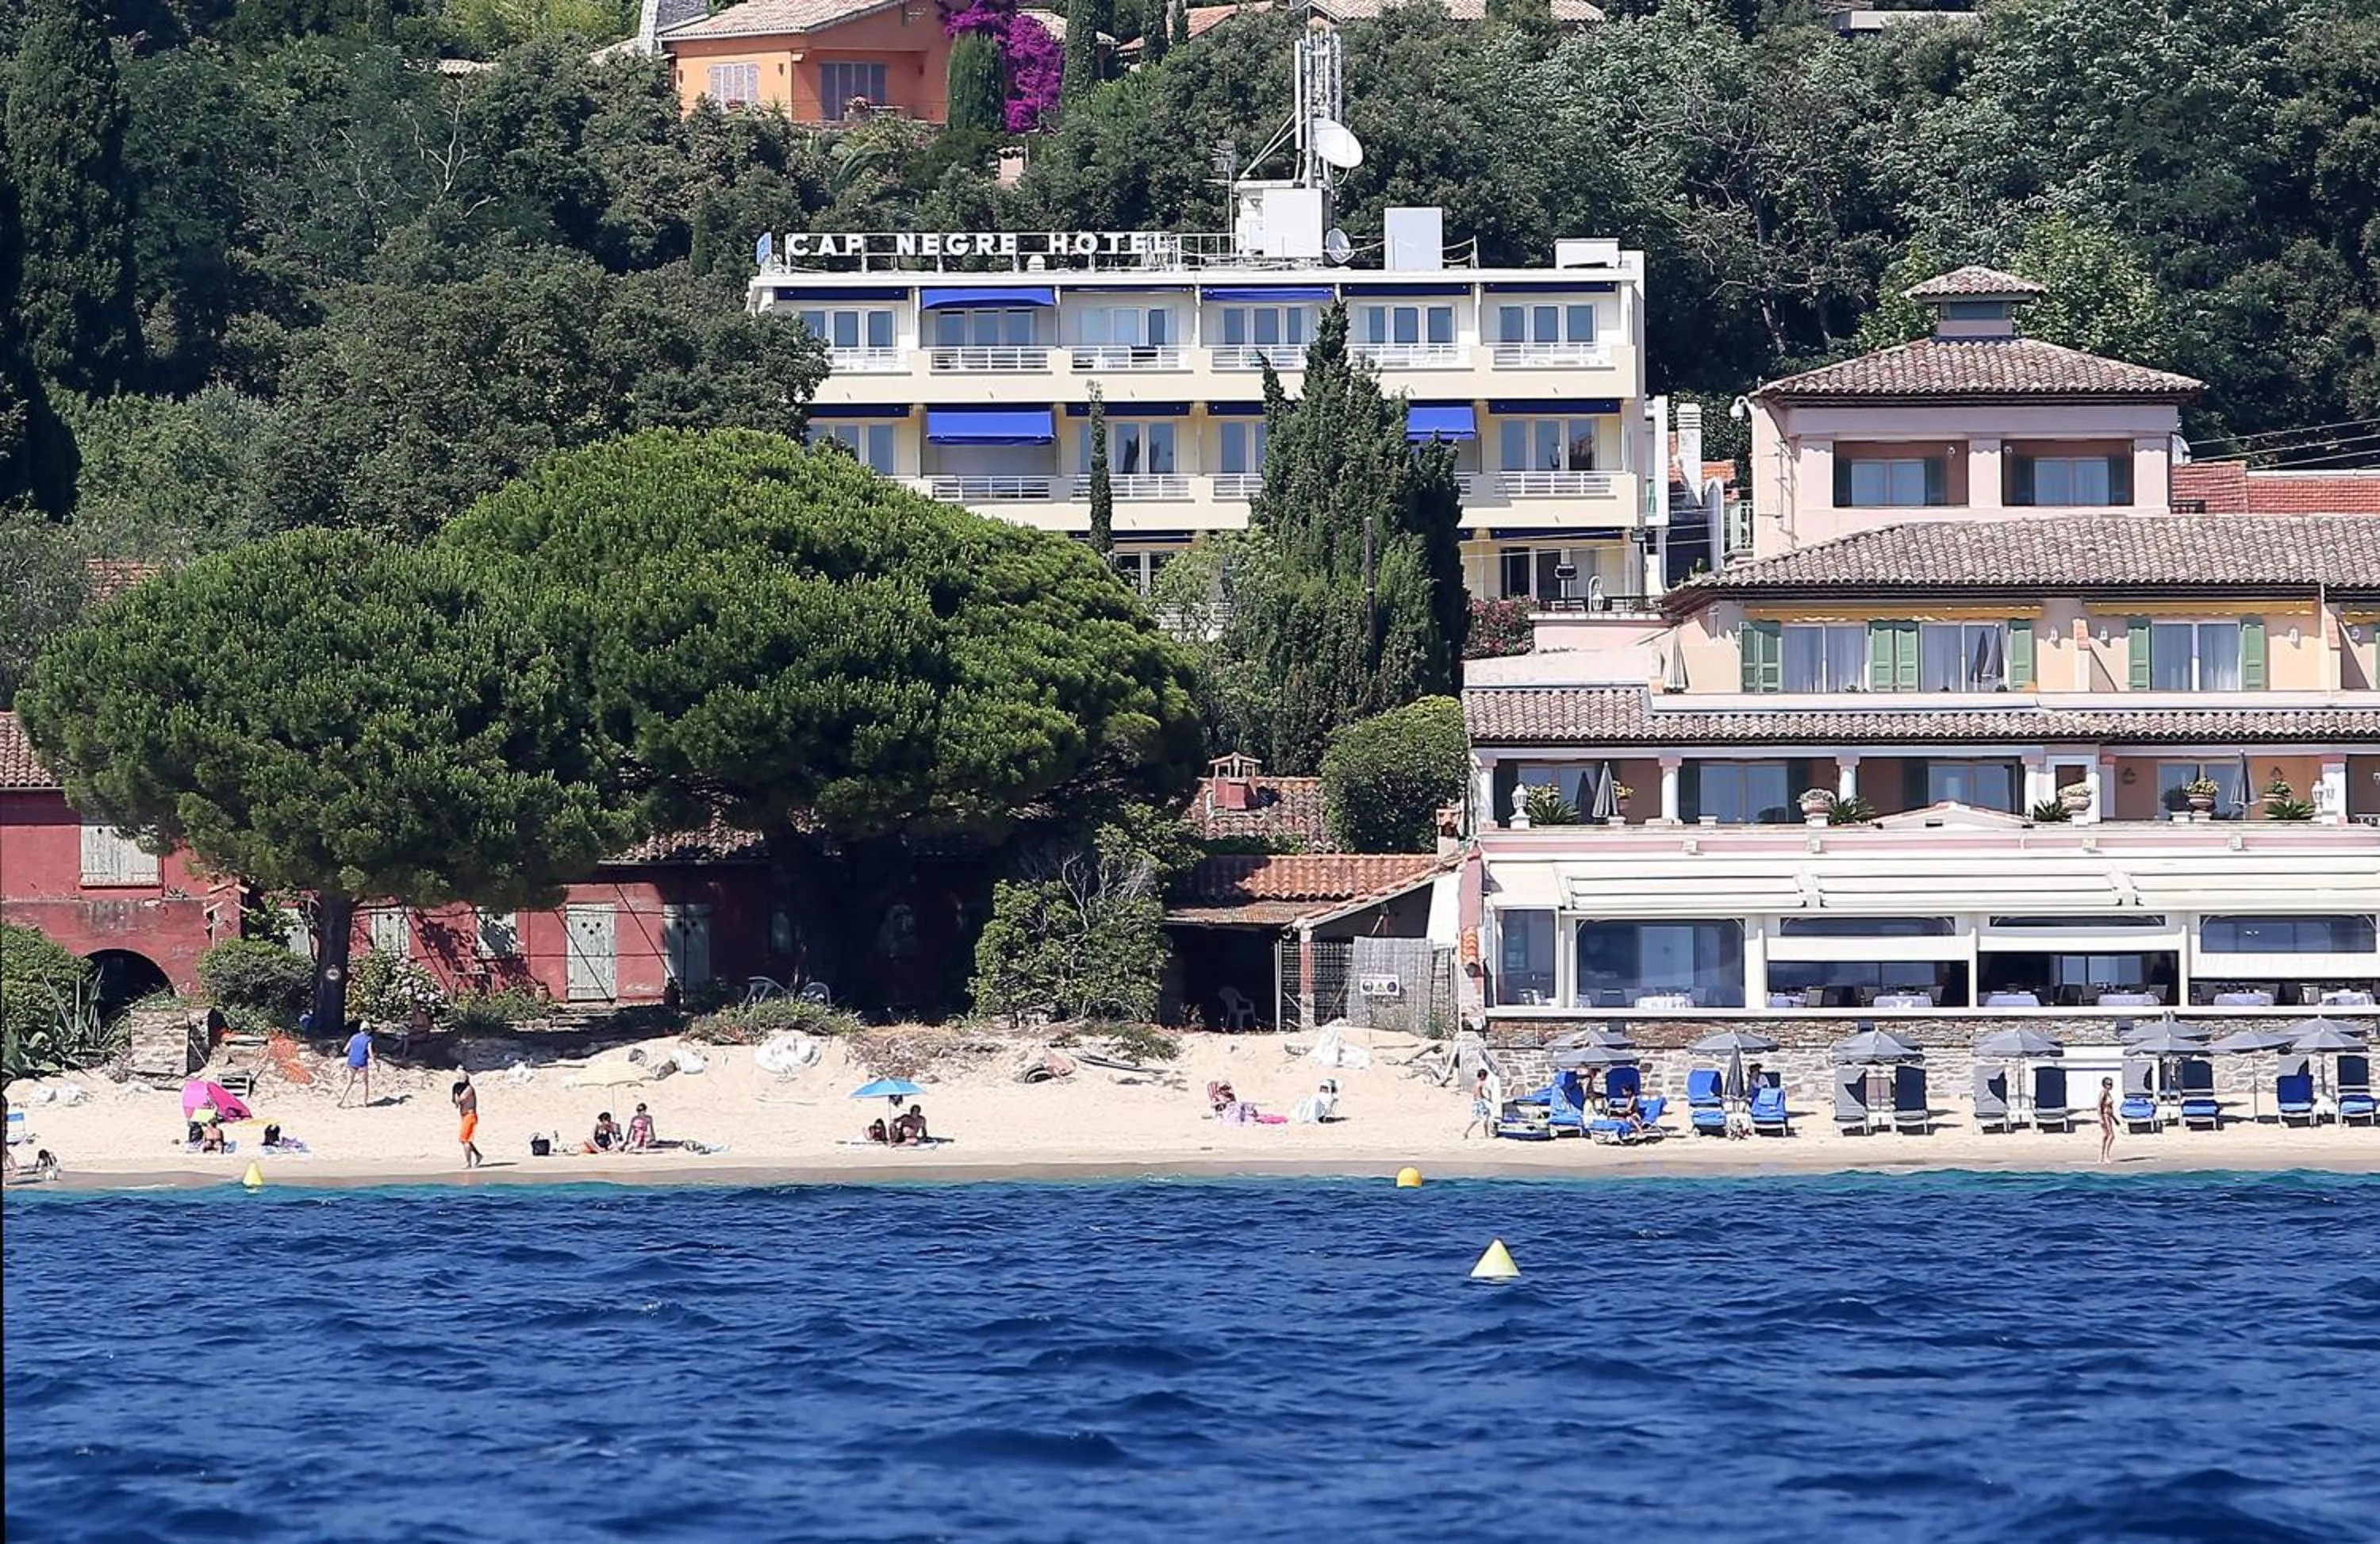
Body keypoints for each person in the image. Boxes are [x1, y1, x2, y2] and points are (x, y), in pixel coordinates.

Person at [338, 1021, 374, 1108]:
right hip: (362, 1063)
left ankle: (341, 1100)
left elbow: (345, 1050)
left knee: (349, 1082)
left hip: (352, 1062)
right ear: (368, 1030)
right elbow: (370, 1052)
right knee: (365, 1083)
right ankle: (364, 1103)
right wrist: (375, 1062)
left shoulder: (353, 1037)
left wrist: (353, 1054)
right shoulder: (368, 1039)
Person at [453, 1072, 482, 1170]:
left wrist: (456, 1093)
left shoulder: (469, 1089)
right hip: (464, 1116)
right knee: (465, 1139)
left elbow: (460, 1100)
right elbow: (456, 1105)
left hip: (470, 1115)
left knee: (464, 1139)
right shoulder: (461, 1089)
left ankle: (468, 1163)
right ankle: (478, 1155)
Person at [1462, 1066, 1495, 1139]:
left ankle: (1466, 1132)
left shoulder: (1476, 1084)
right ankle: (1486, 1135)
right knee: (1486, 1118)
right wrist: (1489, 1099)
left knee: (1476, 1119)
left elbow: (1475, 1094)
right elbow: (1486, 1092)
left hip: (1476, 1102)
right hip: (1481, 1102)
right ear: (1483, 1076)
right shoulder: (1482, 1083)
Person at [2098, 1075, 2117, 1163]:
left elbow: (2110, 1108)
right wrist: (2101, 1118)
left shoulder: (2108, 1093)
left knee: (2106, 1136)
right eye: (2108, 1084)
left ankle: (2101, 1156)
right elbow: (2099, 1106)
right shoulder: (2103, 1093)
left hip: (2109, 1116)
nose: (2110, 1085)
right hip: (2105, 1116)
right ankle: (2106, 1156)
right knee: (2111, 1136)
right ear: (2104, 1085)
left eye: (2111, 1084)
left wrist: (2115, 1119)